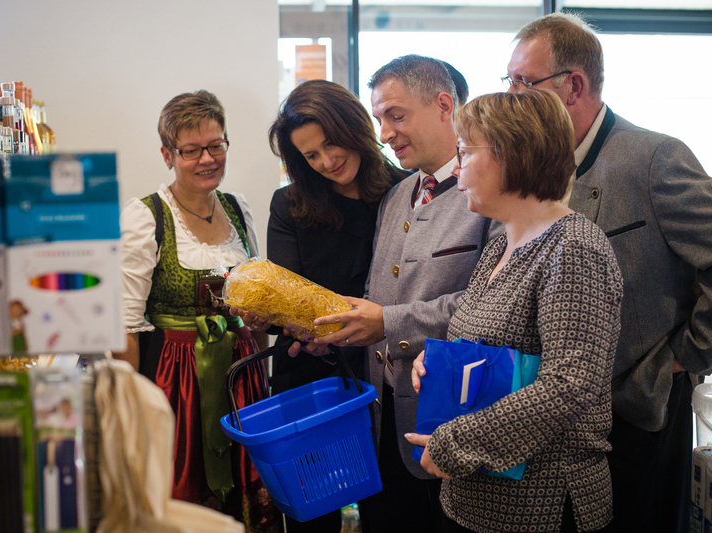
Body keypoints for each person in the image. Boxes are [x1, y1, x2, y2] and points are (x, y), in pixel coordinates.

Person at [505, 13, 712, 532]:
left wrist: (686, 356)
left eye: (522, 83)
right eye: (507, 82)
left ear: (573, 85)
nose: (512, 96)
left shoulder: (653, 158)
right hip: (557, 421)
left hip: (635, 410)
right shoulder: (538, 163)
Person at [297, 55, 499, 533]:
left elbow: (489, 305)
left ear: (444, 105)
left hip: (452, 420)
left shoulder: (493, 192)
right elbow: (377, 293)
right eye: (380, 118)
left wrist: (387, 322)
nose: (384, 133)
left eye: (396, 115)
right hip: (381, 420)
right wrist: (343, 332)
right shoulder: (395, 196)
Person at [409, 89, 623, 533]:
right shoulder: (502, 242)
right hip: (479, 498)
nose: (458, 166)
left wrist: (455, 443)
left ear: (512, 154)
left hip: (540, 506)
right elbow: (485, 342)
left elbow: (569, 386)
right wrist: (436, 360)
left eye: (465, 152)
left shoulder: (574, 247)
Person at [117, 90, 279, 532]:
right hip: (175, 379)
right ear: (168, 154)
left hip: (239, 378)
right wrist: (132, 411)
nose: (207, 159)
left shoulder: (238, 208)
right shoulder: (145, 216)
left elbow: (256, 300)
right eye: (192, 150)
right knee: (181, 487)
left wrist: (261, 379)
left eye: (216, 145)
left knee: (249, 490)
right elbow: (126, 325)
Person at [254, 79, 403, 533]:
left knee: (390, 508)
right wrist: (311, 333)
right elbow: (286, 296)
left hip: (383, 369)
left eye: (330, 144)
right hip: (310, 374)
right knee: (312, 513)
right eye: (310, 156)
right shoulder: (291, 204)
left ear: (355, 126)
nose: (326, 161)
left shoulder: (403, 193)